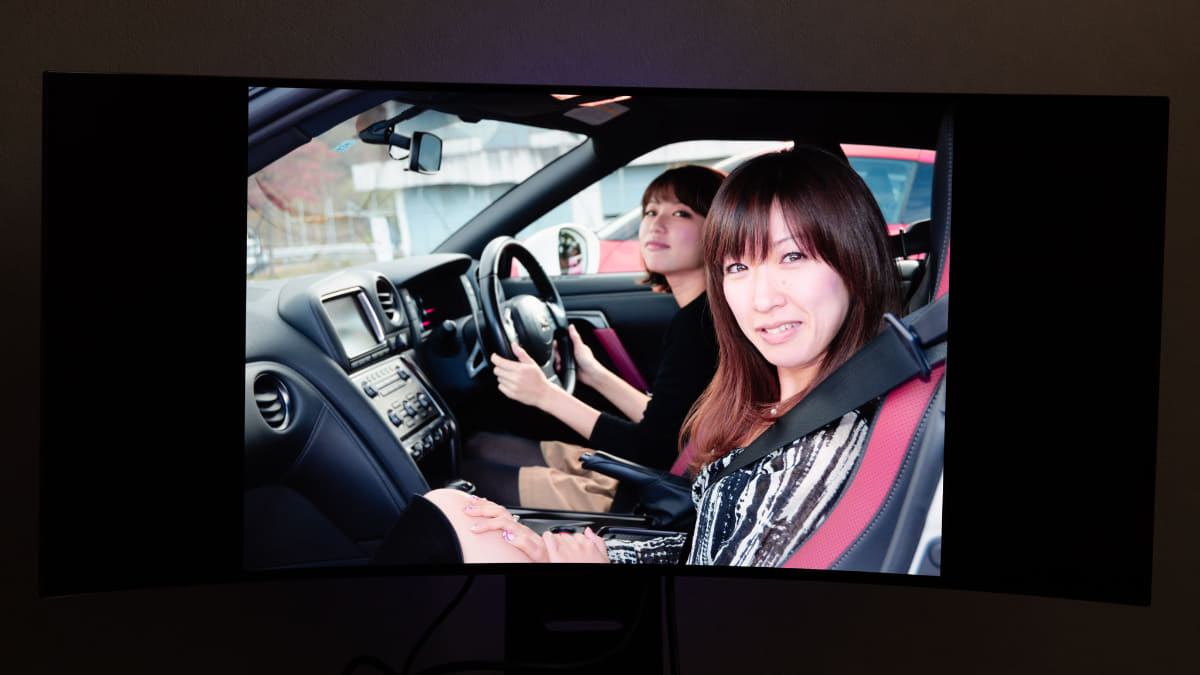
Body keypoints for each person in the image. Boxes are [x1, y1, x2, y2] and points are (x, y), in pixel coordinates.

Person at [416, 146, 904, 565]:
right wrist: (605, 556)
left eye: (792, 256)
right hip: (658, 510)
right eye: (738, 266)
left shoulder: (814, 452)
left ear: (854, 259)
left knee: (451, 500)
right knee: (463, 486)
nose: (761, 298)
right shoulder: (764, 394)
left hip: (650, 491)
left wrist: (546, 396)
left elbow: (660, 452)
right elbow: (704, 533)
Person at [457, 165, 725, 512]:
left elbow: (651, 448)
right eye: (650, 211)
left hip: (662, 498)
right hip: (669, 473)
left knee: (465, 478)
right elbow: (672, 425)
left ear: (720, 230)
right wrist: (593, 374)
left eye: (681, 213)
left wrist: (544, 394)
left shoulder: (698, 326)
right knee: (478, 447)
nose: (656, 224)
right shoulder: (703, 315)